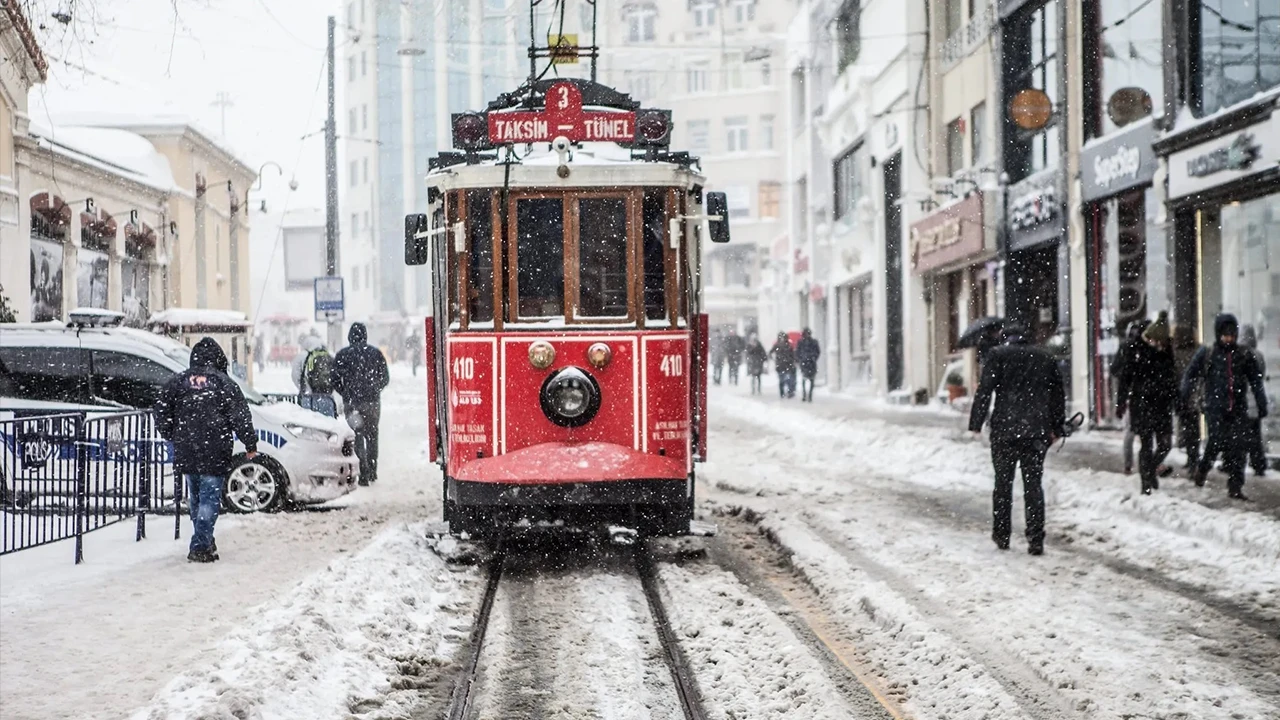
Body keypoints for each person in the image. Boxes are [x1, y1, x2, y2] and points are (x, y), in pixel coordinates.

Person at [153, 338, 258, 563]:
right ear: (220, 359)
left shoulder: (178, 382)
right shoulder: (224, 384)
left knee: (197, 498)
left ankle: (205, 540)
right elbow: (240, 416)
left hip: (187, 447)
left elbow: (161, 408)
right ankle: (200, 545)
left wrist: (171, 433)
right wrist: (250, 444)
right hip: (215, 448)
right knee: (209, 499)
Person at [968, 322, 1066, 556]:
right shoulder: (1044, 357)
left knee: (1003, 484)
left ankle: (1002, 535)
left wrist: (976, 423)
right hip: (1035, 430)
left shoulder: (997, 355)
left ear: (1005, 338)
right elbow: (1057, 394)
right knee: (1033, 485)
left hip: (1005, 431)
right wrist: (1057, 426)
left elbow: (985, 390)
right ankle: (1035, 538)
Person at [1181, 314, 1267, 500]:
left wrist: (1261, 402)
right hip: (1215, 407)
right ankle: (1203, 468)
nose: (1229, 339)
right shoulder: (1208, 353)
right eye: (1225, 335)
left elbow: (1255, 381)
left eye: (1232, 335)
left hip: (1237, 407)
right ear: (1219, 334)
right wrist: (1184, 394)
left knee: (1238, 447)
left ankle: (1235, 486)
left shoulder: (1243, 355)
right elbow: (1190, 374)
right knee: (1215, 442)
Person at [1115, 312, 1177, 495]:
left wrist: (1176, 400)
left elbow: (1172, 378)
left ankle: (1149, 470)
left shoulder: (1165, 353)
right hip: (1142, 404)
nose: (1158, 345)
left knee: (1165, 444)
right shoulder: (1136, 350)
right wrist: (1121, 402)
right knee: (1147, 444)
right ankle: (1146, 484)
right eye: (1155, 341)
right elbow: (1125, 378)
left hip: (1162, 404)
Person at [334, 322, 391, 486]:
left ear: (350, 336)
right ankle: (373, 470)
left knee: (357, 436)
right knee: (372, 436)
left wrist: (346, 393)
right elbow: (385, 378)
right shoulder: (375, 354)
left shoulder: (343, 355)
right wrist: (374, 389)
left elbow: (334, 379)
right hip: (372, 403)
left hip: (352, 404)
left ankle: (363, 472)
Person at [1110, 319, 1150, 475]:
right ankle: (1137, 464)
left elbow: (1117, 371)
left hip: (1132, 394)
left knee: (1131, 431)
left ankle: (1130, 464)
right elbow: (1119, 371)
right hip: (1136, 395)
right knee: (1134, 431)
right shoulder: (1134, 349)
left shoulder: (1127, 347)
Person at [1172, 324, 1204, 472]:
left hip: (1181, 394)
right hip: (1194, 395)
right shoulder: (1197, 351)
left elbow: (1174, 375)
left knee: (1186, 426)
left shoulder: (1175, 353)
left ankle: (1191, 458)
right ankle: (1194, 457)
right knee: (1194, 428)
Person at [1240, 324, 1269, 476]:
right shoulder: (1259, 355)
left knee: (1241, 435)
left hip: (1244, 401)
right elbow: (1261, 376)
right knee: (1255, 435)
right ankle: (1258, 464)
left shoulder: (1240, 354)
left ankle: (1238, 464)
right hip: (1255, 402)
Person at [796, 328, 821, 402]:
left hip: (811, 363)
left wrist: (813, 357)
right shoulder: (800, 342)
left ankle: (809, 395)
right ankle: (804, 395)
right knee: (804, 379)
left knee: (811, 380)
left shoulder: (814, 342)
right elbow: (797, 352)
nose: (807, 335)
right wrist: (801, 359)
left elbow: (818, 351)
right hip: (804, 364)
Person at [769, 332, 797, 399]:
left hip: (785, 365)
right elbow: (770, 353)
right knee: (783, 380)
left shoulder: (786, 345)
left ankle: (786, 393)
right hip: (783, 365)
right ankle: (785, 393)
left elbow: (793, 355)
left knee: (786, 380)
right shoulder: (779, 345)